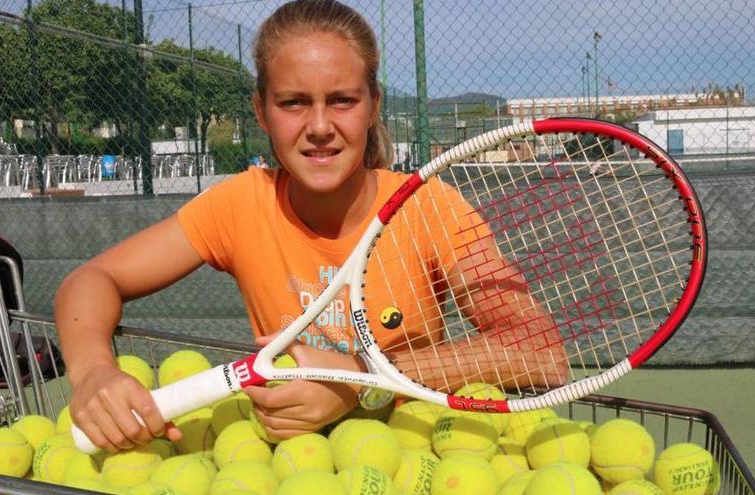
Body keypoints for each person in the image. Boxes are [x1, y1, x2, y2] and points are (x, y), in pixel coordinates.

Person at [55, 0, 565, 453]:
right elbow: (92, 280)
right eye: (293, 103)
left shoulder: (430, 208)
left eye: (341, 100)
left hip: (413, 454)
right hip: (286, 466)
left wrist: (365, 378)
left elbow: (541, 353)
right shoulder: (240, 204)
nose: (320, 127)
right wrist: (94, 372)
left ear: (373, 106)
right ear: (261, 111)